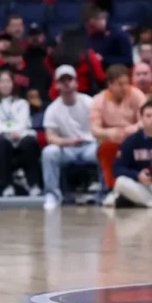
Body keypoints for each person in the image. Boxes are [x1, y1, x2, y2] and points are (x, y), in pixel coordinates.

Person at [41, 65, 98, 210]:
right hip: (66, 148)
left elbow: (99, 127)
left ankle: (104, 191)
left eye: (69, 79)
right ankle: (52, 195)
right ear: (57, 85)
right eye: (62, 80)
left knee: (104, 149)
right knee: (49, 152)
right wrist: (68, 141)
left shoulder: (89, 102)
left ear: (76, 82)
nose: (66, 83)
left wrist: (89, 138)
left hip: (89, 146)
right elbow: (50, 137)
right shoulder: (52, 109)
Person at [90, 65, 147, 205]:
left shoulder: (137, 94)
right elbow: (94, 129)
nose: (125, 87)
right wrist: (109, 132)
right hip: (110, 139)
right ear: (109, 84)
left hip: (134, 138)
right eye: (120, 84)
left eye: (127, 83)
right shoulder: (98, 100)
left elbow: (145, 120)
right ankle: (110, 188)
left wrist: (129, 130)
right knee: (107, 148)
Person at [0, 69, 42, 197]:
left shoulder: (22, 103)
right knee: (0, 142)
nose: (5, 85)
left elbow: (23, 122)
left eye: (8, 81)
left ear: (13, 84)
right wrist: (10, 133)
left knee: (29, 142)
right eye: (2, 81)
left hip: (21, 137)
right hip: (3, 139)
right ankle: (7, 185)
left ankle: (34, 185)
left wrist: (17, 133)